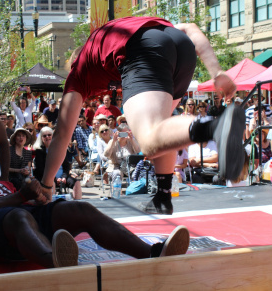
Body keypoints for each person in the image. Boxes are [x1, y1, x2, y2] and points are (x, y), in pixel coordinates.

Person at [39, 17, 243, 216]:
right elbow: (190, 28)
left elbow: (63, 133)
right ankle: (163, 197)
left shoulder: (80, 70)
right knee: (163, 131)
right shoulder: (114, 36)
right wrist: (216, 72)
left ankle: (214, 127)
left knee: (148, 138)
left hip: (144, 48)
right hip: (181, 47)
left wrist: (46, 185)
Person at [0, 155, 190, 268]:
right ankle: (57, 262)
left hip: (27, 222)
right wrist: (20, 197)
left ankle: (152, 253)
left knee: (80, 208)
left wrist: (37, 197)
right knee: (17, 215)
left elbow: (24, 200)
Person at [34, 127, 82, 199]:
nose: (47, 137)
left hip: (62, 176)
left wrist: (64, 177)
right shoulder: (39, 151)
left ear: (53, 136)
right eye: (44, 136)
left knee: (76, 183)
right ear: (41, 138)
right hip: (47, 177)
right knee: (51, 183)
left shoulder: (60, 149)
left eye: (49, 135)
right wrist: (55, 178)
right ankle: (52, 205)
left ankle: (78, 204)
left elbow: (66, 166)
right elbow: (41, 170)